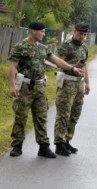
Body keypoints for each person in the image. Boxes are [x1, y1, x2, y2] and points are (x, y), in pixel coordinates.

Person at [8, 21, 83, 158]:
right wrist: (12, 85)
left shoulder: (43, 48)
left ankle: (43, 146)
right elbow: (13, 66)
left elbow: (57, 61)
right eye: (41, 31)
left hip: (40, 86)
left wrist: (72, 68)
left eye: (44, 31)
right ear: (32, 31)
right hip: (25, 86)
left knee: (41, 117)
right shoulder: (20, 47)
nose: (43, 34)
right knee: (21, 116)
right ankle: (17, 145)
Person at [53, 23, 90, 156]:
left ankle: (67, 139)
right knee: (64, 113)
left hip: (79, 84)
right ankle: (59, 143)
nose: (82, 37)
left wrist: (87, 83)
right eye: (81, 34)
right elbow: (59, 64)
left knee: (75, 113)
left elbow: (85, 67)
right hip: (67, 82)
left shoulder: (84, 47)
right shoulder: (66, 45)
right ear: (74, 31)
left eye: (85, 34)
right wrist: (74, 66)